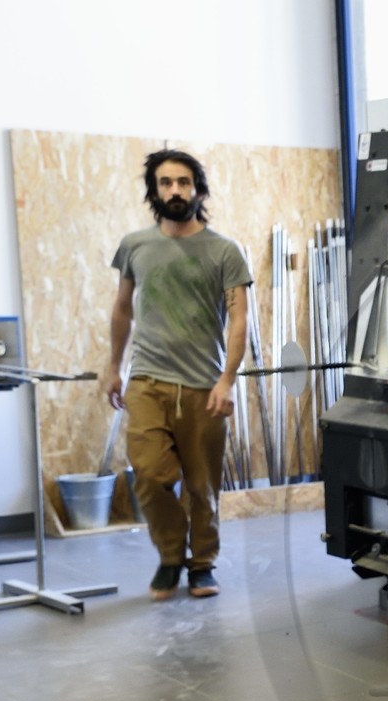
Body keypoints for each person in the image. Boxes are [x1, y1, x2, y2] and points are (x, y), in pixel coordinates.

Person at [101, 148, 252, 600]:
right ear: (155, 191)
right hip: (146, 380)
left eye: (183, 182)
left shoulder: (224, 251)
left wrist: (227, 380)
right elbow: (122, 309)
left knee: (202, 486)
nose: (175, 190)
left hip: (204, 386)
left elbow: (240, 319)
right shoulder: (135, 246)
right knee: (148, 474)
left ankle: (201, 564)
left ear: (198, 190)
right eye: (166, 183)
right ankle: (170, 555)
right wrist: (113, 366)